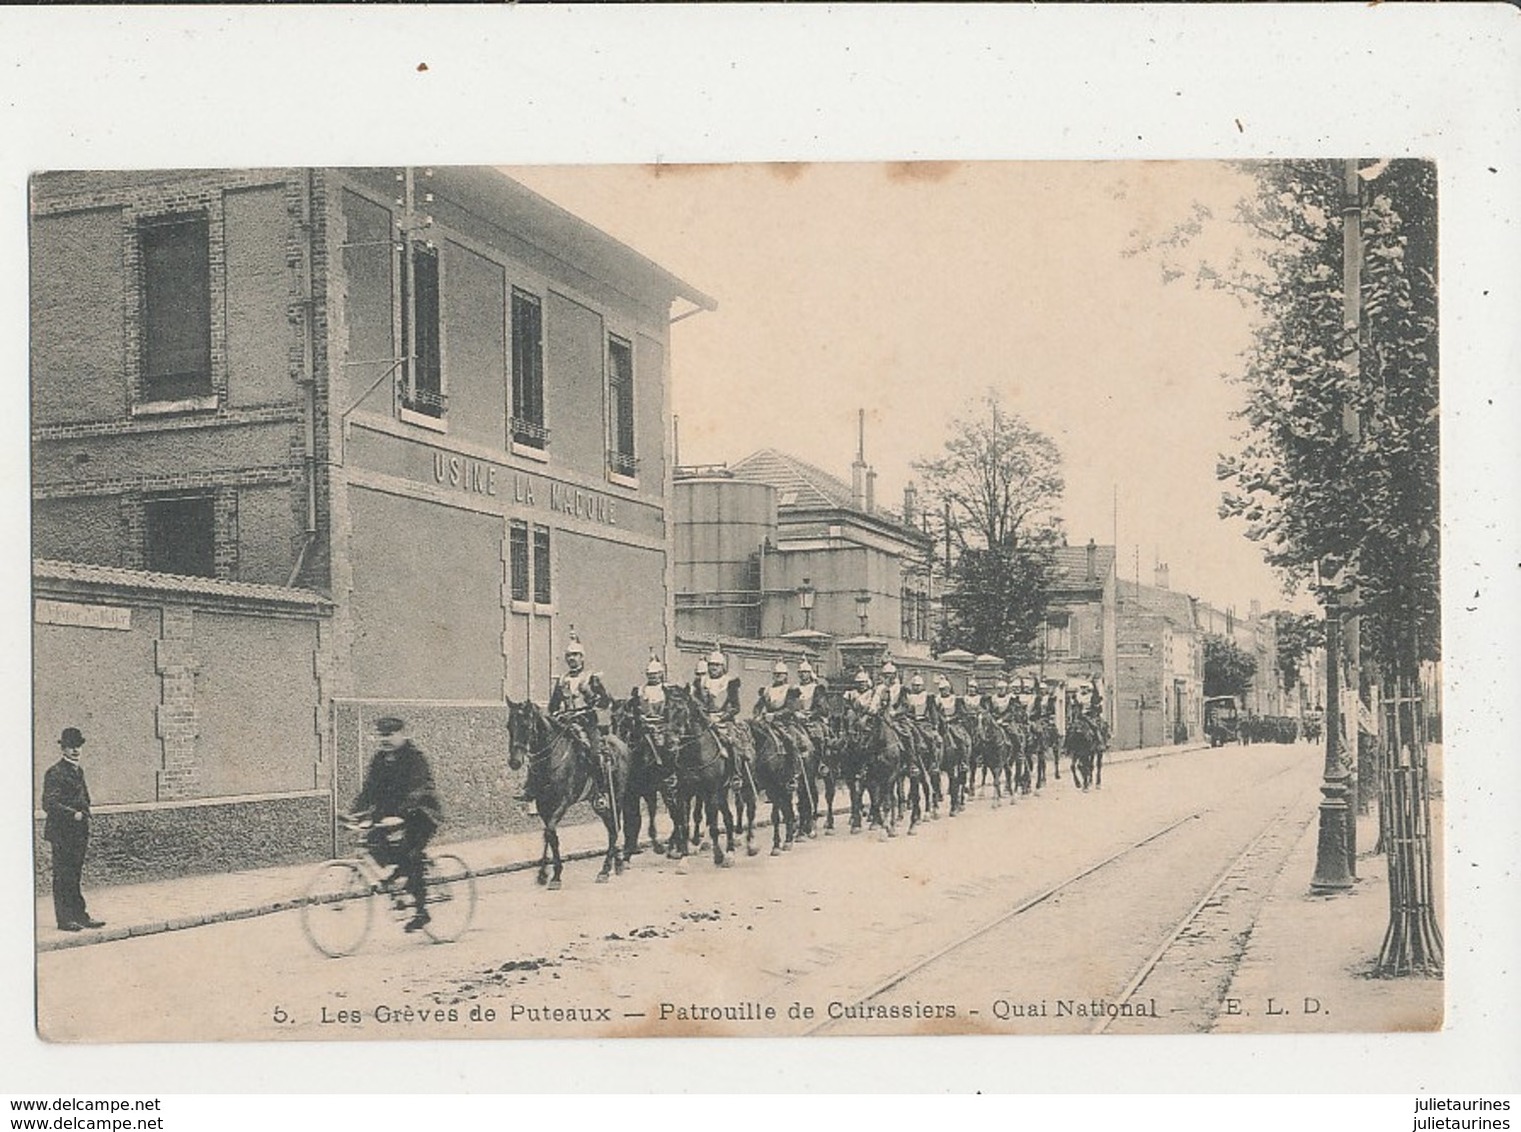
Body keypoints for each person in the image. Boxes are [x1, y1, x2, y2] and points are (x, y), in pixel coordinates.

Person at [350, 716, 441, 932]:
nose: (386, 739)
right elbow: (369, 790)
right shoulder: (379, 760)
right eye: (382, 735)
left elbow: (418, 788)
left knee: (410, 855)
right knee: (373, 843)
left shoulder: (415, 758)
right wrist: (353, 813)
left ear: (402, 734)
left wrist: (402, 814)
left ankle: (421, 911)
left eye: (390, 734)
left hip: (422, 814)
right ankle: (399, 880)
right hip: (390, 816)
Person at [41, 728, 104, 932]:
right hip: (62, 832)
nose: (76, 750)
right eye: (71, 746)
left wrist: (86, 811)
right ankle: (65, 919)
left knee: (75, 874)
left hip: (79, 831)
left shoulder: (79, 770)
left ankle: (80, 915)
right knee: (63, 875)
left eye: (78, 746)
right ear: (63, 748)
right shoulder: (55, 772)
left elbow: (83, 797)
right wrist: (73, 814)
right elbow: (48, 803)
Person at [548, 634, 613, 782]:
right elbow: (553, 706)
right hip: (565, 722)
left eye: (576, 655)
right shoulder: (562, 680)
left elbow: (605, 702)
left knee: (595, 753)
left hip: (586, 721)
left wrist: (589, 693)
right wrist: (557, 714)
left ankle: (599, 789)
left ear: (582, 657)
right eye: (569, 655)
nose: (572, 658)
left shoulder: (591, 678)